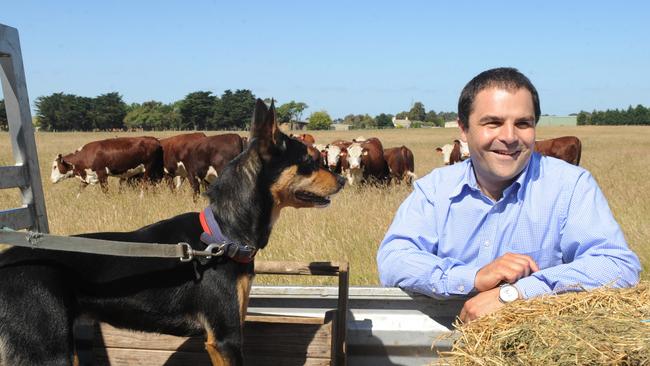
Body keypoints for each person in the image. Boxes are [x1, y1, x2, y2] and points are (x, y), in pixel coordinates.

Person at [376, 67, 641, 322]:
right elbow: (394, 259)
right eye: (493, 122)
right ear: (464, 130)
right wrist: (473, 277)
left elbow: (616, 265)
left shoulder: (570, 186)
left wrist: (518, 293)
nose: (510, 136)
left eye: (523, 123)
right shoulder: (435, 189)